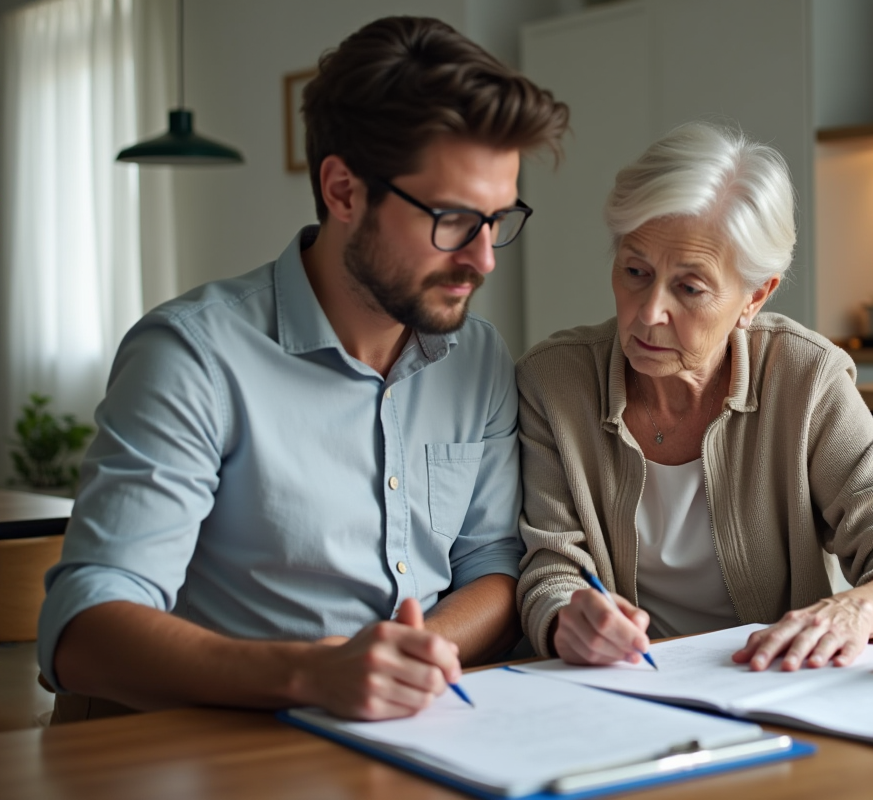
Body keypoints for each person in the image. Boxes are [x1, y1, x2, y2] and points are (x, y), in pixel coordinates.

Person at [38, 16, 568, 722]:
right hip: (219, 751)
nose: (483, 258)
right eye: (452, 220)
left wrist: (405, 659)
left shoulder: (478, 357)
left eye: (499, 219)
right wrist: (316, 674)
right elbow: (83, 631)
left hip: (422, 737)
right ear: (344, 191)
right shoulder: (192, 357)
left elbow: (493, 568)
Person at [516, 122, 873, 670]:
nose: (649, 312)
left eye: (689, 287)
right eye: (635, 271)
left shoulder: (804, 377)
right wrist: (564, 619)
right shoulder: (553, 383)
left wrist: (852, 612)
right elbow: (549, 568)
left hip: (771, 681)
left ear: (755, 296)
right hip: (626, 687)